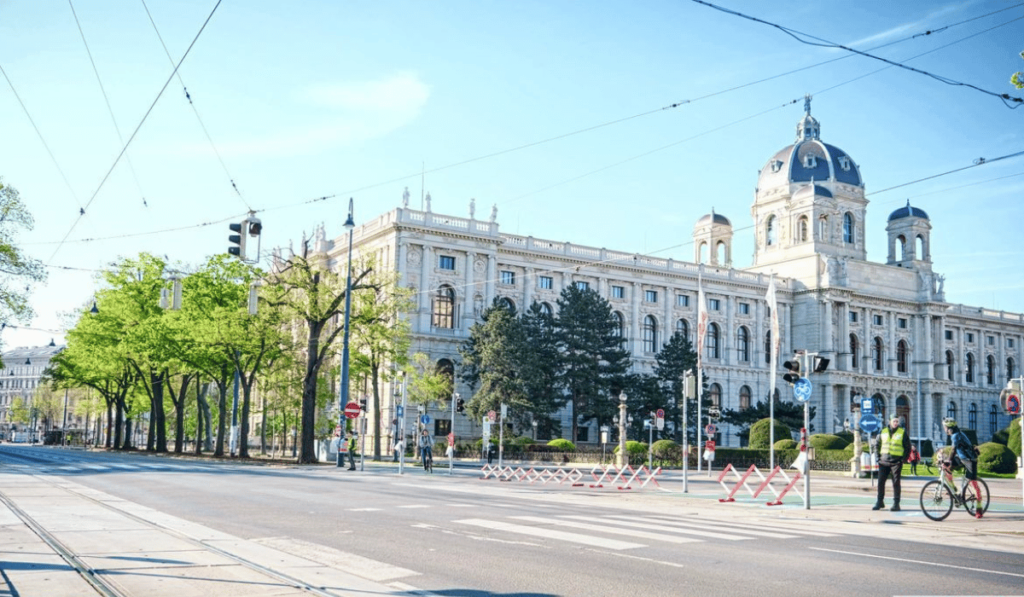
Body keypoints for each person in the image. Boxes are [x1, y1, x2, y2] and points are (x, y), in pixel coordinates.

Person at [943, 418, 984, 519]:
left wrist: (949, 460)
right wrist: (946, 462)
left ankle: (979, 510)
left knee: (973, 485)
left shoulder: (956, 436)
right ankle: (956, 493)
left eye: (945, 427)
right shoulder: (955, 434)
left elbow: (953, 450)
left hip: (970, 460)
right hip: (962, 458)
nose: (944, 429)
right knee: (946, 469)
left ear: (949, 428)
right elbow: (957, 451)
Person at [873, 414, 910, 512]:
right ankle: (879, 502)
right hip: (883, 462)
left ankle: (896, 504)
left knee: (896, 483)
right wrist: (878, 458)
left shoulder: (902, 432)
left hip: (896, 462)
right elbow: (877, 445)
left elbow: (908, 447)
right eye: (894, 421)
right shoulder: (883, 431)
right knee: (880, 482)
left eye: (897, 421)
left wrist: (903, 459)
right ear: (889, 421)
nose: (896, 423)